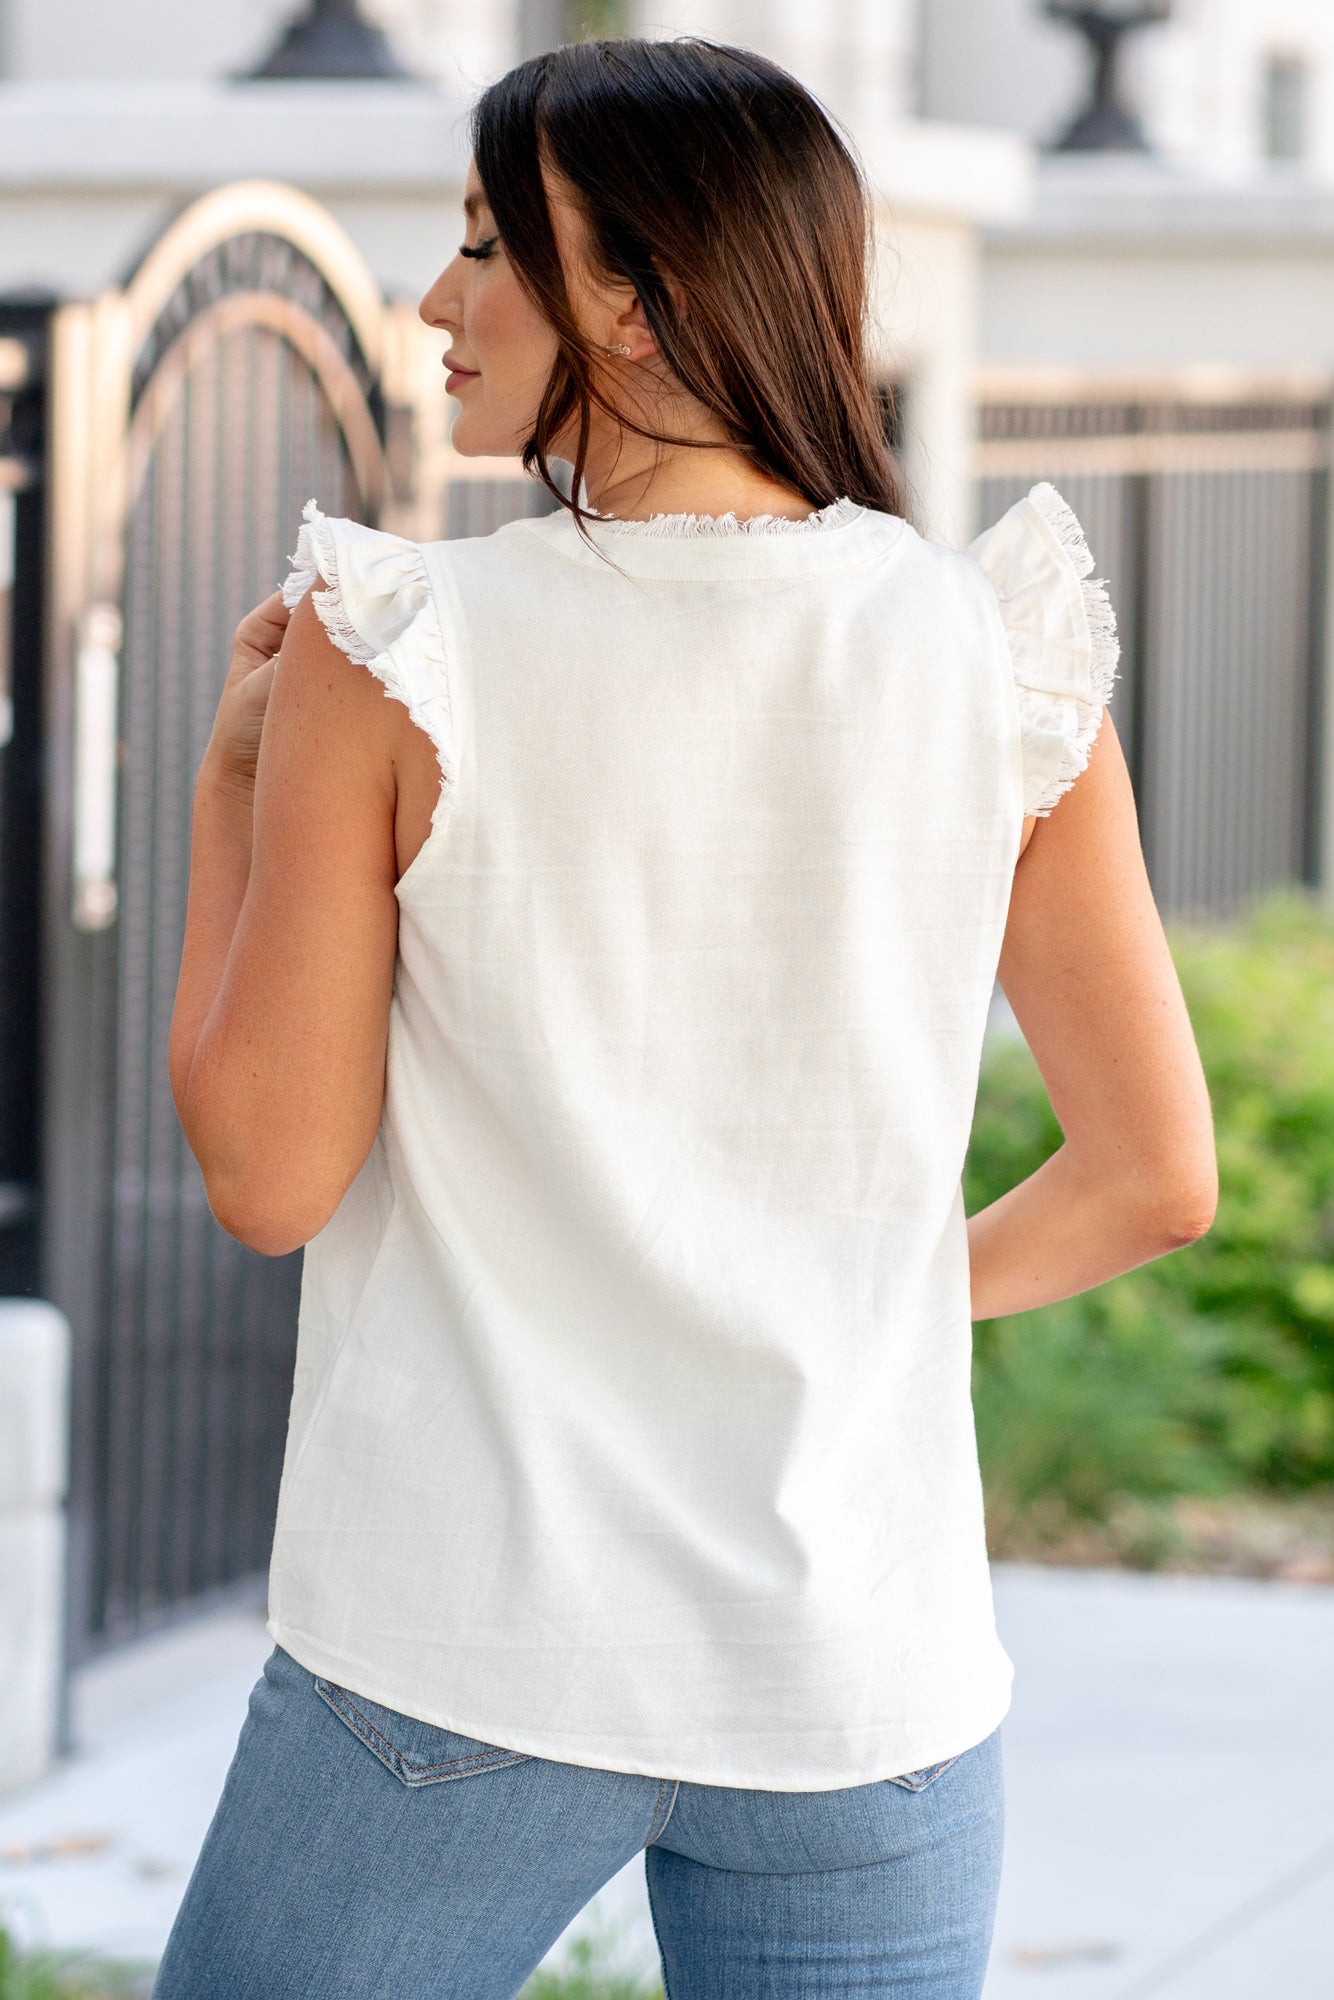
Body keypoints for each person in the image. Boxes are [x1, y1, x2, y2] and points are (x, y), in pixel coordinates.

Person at [155, 35, 1217, 2000]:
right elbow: (1153, 1177)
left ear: (634, 306)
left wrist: (229, 798)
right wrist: (846, 1304)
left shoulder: (400, 649)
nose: (435, 300)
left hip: (460, 1647)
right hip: (858, 1678)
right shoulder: (998, 652)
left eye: (490, 248)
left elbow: (267, 1176)